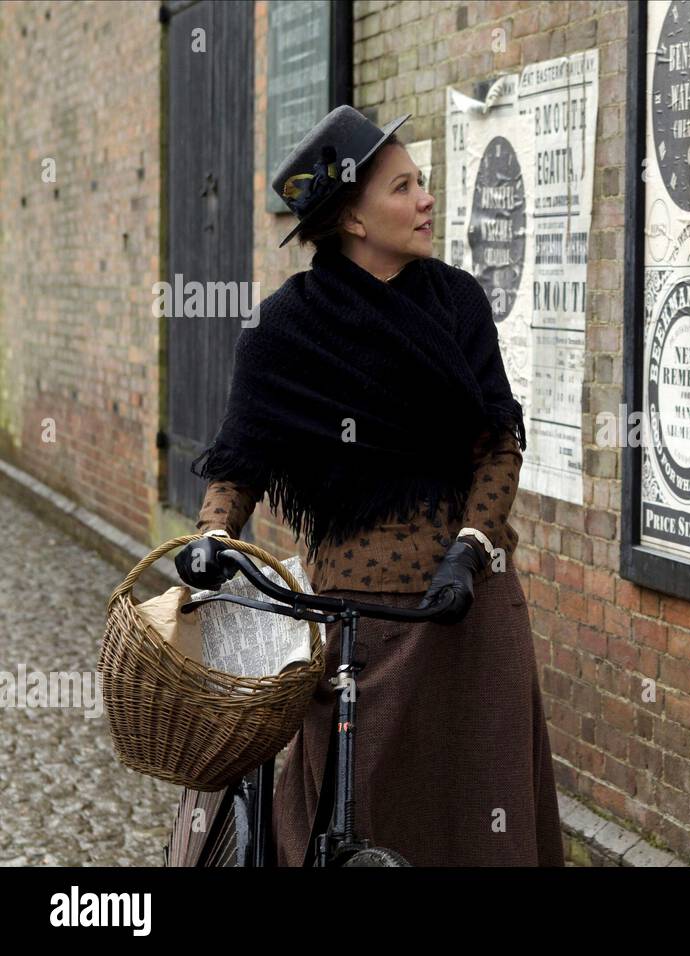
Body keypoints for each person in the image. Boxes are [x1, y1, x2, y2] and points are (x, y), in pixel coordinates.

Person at [175, 105, 564, 866]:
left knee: (478, 811)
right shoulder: (283, 330)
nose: (426, 200)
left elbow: (497, 445)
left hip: (467, 609)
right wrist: (210, 541)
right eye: (403, 187)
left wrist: (471, 548)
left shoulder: (456, 302)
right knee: (350, 810)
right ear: (352, 216)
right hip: (360, 619)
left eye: (421, 183)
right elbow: (239, 465)